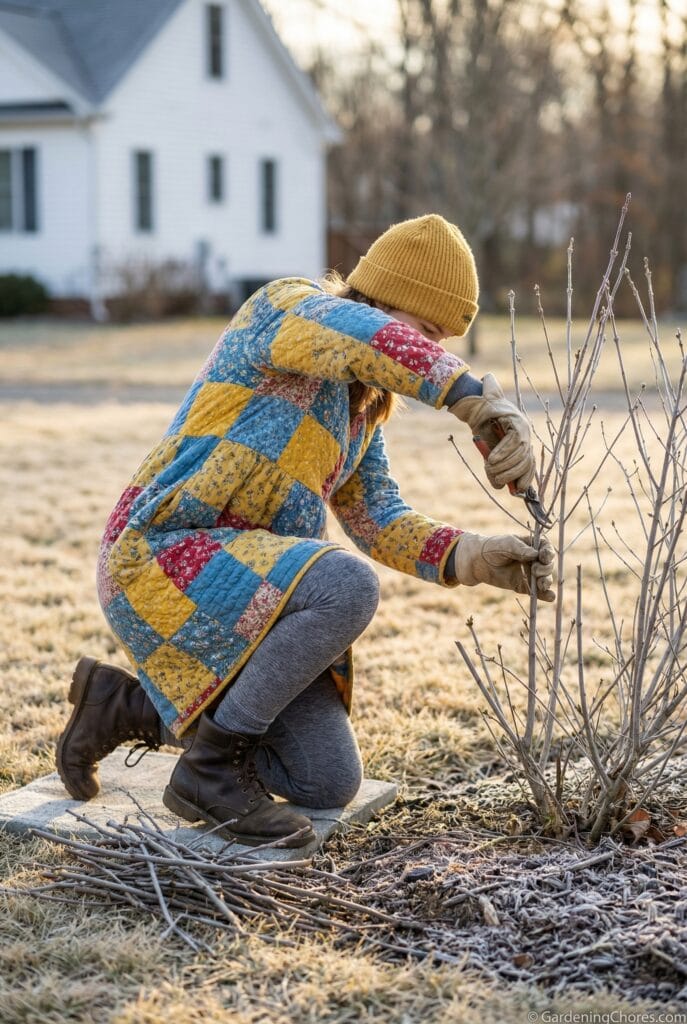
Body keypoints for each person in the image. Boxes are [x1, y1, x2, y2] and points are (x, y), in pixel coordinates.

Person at [56, 214, 554, 848]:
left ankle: (122, 707)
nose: (429, 345)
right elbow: (361, 334)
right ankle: (209, 771)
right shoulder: (289, 309)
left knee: (325, 779)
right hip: (161, 556)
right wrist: (469, 394)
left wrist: (475, 557)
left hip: (252, 590)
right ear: (379, 299)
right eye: (424, 329)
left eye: (441, 337)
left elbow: (379, 517)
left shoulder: (359, 411)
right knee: (347, 584)